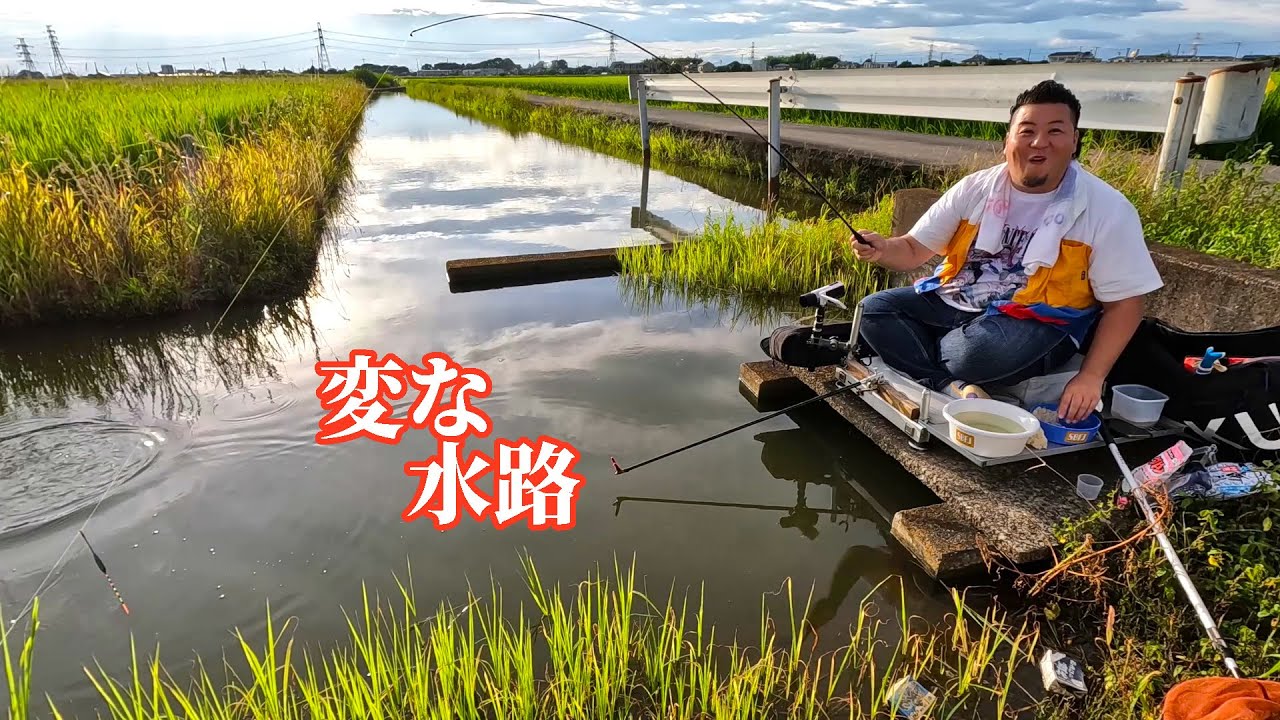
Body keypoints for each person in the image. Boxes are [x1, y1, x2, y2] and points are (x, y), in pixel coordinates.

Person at [850, 79, 1164, 423]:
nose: (1039, 142)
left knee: (969, 355)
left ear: (1074, 141)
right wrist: (882, 249)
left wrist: (1091, 377)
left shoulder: (1107, 208)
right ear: (1007, 140)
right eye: (1027, 130)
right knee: (872, 310)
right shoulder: (975, 187)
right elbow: (911, 250)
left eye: (1055, 131)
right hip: (957, 298)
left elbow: (1125, 304)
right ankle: (947, 383)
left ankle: (934, 361)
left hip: (1040, 319)